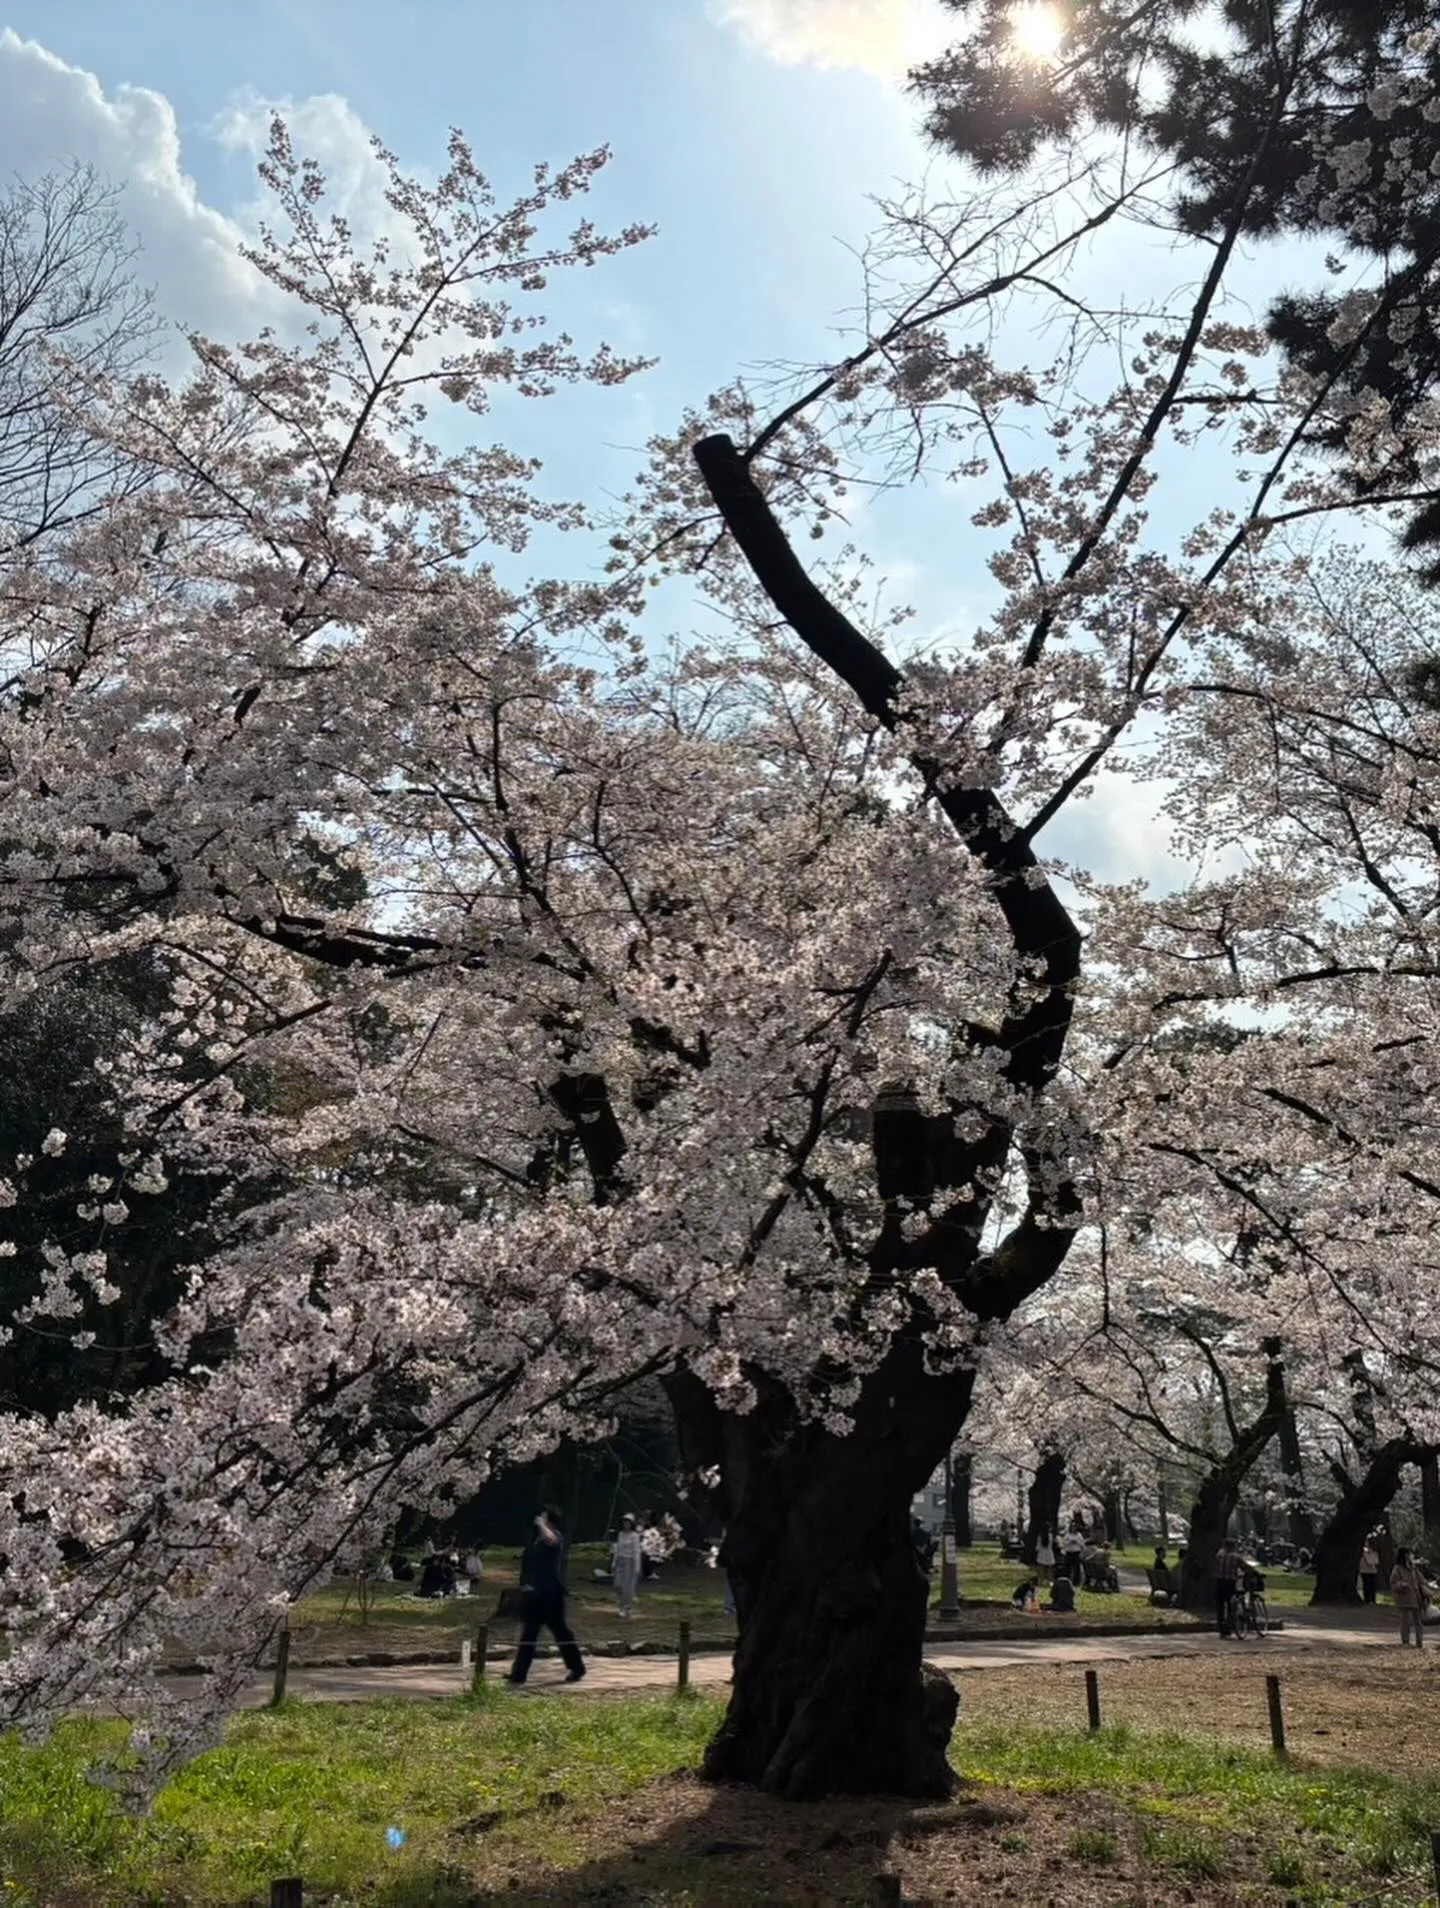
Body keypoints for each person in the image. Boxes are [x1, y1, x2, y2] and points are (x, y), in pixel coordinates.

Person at [507, 1507, 586, 1684]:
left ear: (549, 1521)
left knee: (561, 1632)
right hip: (536, 1594)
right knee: (529, 1633)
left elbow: (550, 1539)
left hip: (552, 1595)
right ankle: (519, 1674)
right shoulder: (537, 1540)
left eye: (543, 1518)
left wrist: (542, 1524)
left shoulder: (555, 1537)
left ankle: (577, 1667)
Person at [1390, 1546, 1426, 1649]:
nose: (1410, 1556)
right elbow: (1393, 1582)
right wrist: (1402, 1585)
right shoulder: (1397, 1568)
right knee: (1405, 1622)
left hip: (1416, 1597)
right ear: (1404, 1555)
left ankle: (1419, 1643)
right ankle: (1405, 1642)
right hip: (1404, 1598)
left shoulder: (1413, 1567)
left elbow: (1421, 1579)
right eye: (1408, 1554)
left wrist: (1427, 1587)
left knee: (1418, 1621)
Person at [611, 1513, 643, 1619]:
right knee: (617, 1584)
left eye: (628, 1523)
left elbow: (636, 1552)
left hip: (630, 1562)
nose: (626, 1524)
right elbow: (617, 1549)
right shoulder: (620, 1534)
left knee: (627, 1587)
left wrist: (637, 1566)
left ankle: (625, 1608)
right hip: (620, 1560)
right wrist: (614, 1562)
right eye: (624, 1522)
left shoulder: (634, 1536)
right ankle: (623, 1603)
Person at [1215, 1538, 1242, 1637]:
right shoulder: (1235, 1557)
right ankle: (1229, 1625)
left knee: (1220, 1606)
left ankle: (1221, 1627)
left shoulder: (1219, 1555)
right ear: (1233, 1547)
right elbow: (1244, 1566)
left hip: (1219, 1582)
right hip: (1230, 1583)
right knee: (1231, 1605)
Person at [1360, 1535, 1380, 1605]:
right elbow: (1368, 1560)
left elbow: (1375, 1560)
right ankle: (1367, 1600)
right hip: (1365, 1570)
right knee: (1367, 1585)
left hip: (1372, 1570)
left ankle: (1373, 1599)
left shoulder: (1373, 1550)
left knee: (1373, 1586)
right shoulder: (1363, 1551)